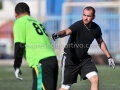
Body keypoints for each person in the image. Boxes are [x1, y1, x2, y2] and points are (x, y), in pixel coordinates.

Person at [52, 6, 115, 90]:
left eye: (88, 16)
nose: (85, 18)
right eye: (84, 15)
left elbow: (100, 42)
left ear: (93, 17)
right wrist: (58, 34)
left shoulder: (96, 28)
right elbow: (66, 31)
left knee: (95, 79)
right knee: (65, 88)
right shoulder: (78, 25)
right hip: (70, 60)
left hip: (84, 60)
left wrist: (109, 57)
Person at [13, 2, 58, 90]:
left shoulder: (20, 22)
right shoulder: (38, 22)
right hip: (52, 60)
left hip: (41, 63)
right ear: (29, 13)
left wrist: (17, 65)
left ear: (16, 14)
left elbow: (19, 45)